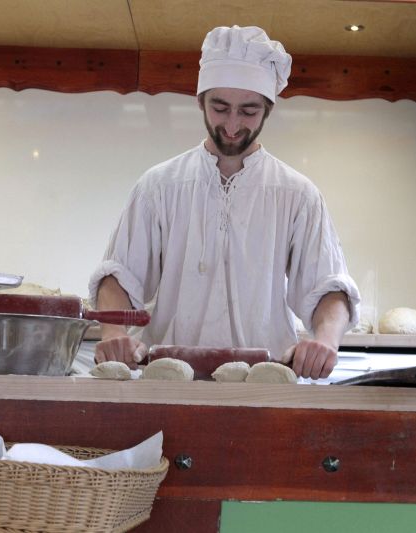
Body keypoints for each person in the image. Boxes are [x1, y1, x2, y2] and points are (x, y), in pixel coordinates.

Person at [88, 25, 360, 379]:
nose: (232, 125)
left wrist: (325, 339)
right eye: (220, 108)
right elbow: (119, 274)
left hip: (265, 380)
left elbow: (329, 286)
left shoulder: (297, 194)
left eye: (248, 111)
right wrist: (113, 332)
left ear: (268, 109)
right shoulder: (159, 186)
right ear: (200, 101)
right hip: (168, 379)